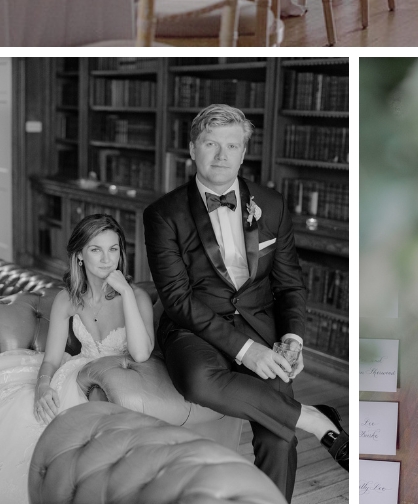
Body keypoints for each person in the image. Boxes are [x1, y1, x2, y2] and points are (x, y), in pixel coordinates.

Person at [144, 104, 347, 502]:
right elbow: (177, 298)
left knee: (277, 436)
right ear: (192, 149)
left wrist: (292, 338)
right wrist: (245, 351)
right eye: (210, 144)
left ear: (243, 152)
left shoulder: (271, 205)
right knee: (198, 380)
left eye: (232, 145)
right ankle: (315, 418)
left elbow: (290, 284)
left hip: (260, 324)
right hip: (192, 327)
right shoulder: (163, 214)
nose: (221, 156)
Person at [0, 213, 155, 496]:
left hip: (113, 384)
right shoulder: (67, 298)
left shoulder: (137, 297)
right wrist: (43, 385)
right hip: (73, 376)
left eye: (113, 249)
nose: (107, 259)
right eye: (96, 249)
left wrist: (126, 293)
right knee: (23, 419)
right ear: (80, 255)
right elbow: (52, 359)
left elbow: (141, 354)